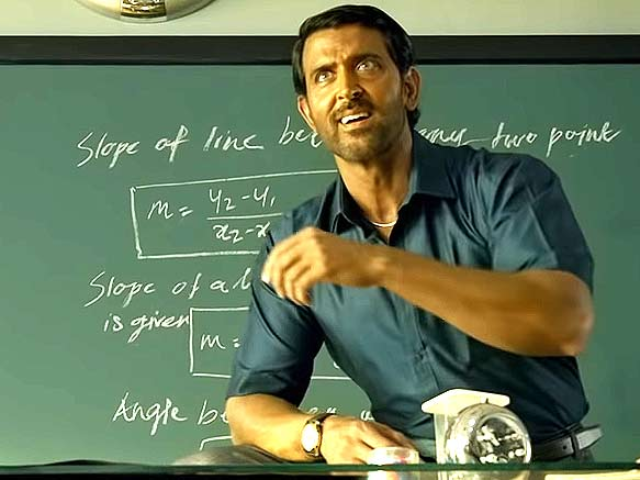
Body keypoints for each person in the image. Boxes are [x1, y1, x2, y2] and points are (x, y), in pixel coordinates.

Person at [223, 4, 600, 465]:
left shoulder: (504, 184)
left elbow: (563, 322)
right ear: (308, 112)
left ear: (408, 87)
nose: (346, 89)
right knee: (210, 467)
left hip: (538, 466)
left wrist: (382, 265)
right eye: (324, 76)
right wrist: (319, 433)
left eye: (366, 65)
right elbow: (248, 408)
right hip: (407, 470)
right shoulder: (297, 240)